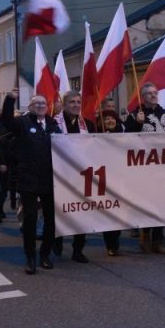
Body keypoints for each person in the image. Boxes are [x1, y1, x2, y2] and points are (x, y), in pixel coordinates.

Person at [3, 90, 60, 273]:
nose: (41, 106)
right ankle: (30, 257)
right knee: (30, 219)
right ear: (30, 107)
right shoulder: (22, 123)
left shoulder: (53, 124)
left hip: (49, 180)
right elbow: (7, 121)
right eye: (37, 103)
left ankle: (45, 254)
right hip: (28, 179)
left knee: (51, 219)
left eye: (43, 103)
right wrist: (9, 100)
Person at [124, 82, 165, 254]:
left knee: (161, 203)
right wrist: (137, 124)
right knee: (146, 202)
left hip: (164, 166)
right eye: (149, 93)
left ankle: (158, 240)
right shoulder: (135, 115)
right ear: (143, 97)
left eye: (155, 92)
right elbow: (125, 139)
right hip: (144, 167)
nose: (153, 95)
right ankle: (145, 235)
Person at [53, 91, 95, 263]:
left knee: (81, 213)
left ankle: (78, 250)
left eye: (78, 102)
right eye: (72, 102)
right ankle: (57, 241)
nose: (76, 105)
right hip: (60, 176)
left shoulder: (88, 124)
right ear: (64, 104)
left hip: (81, 176)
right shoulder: (54, 123)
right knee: (60, 212)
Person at [97, 108, 124, 255]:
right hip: (103, 180)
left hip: (121, 178)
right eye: (106, 119)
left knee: (119, 212)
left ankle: (115, 239)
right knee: (108, 211)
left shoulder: (124, 134)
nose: (110, 121)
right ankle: (111, 245)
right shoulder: (95, 136)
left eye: (112, 118)